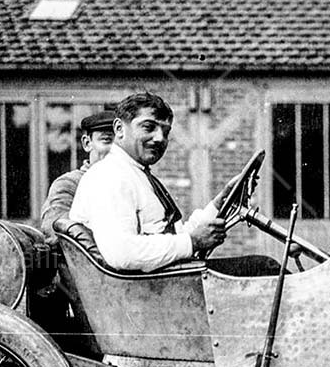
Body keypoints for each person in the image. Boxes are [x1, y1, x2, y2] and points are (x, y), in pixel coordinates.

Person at [69, 92, 279, 276]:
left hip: (161, 283)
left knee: (263, 267)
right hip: (145, 293)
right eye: (148, 127)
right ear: (119, 129)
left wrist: (219, 202)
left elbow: (173, 236)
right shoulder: (109, 176)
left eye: (166, 132)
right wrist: (193, 242)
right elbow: (122, 253)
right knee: (264, 269)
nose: (159, 138)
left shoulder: (135, 174)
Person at [39, 109, 116, 242]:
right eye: (107, 140)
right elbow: (56, 230)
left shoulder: (138, 182)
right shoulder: (70, 184)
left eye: (121, 143)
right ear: (87, 143)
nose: (116, 150)